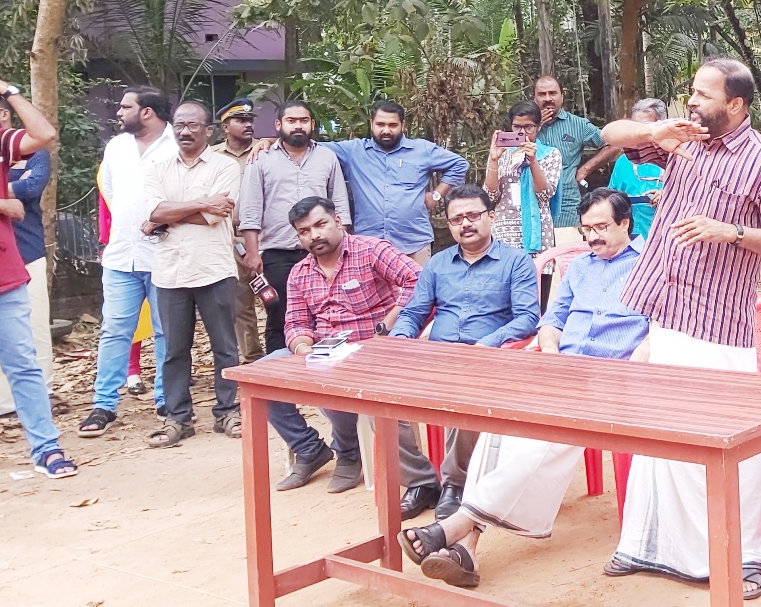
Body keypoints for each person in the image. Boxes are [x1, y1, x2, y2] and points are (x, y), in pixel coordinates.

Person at [602, 57, 761, 601]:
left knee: (732, 439)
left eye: (702, 93)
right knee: (661, 431)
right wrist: (652, 130)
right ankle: (649, 545)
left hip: (719, 322)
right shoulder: (682, 141)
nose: (691, 101)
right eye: (691, 91)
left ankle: (745, 557)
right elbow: (608, 134)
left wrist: (728, 231)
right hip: (665, 308)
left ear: (735, 104)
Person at [397, 188, 649, 589]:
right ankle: (466, 552)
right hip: (561, 372)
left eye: (602, 227)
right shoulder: (580, 267)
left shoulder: (651, 267)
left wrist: (631, 371)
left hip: (612, 378)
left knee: (544, 437)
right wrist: (550, 351)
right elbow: (551, 320)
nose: (593, 237)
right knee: (499, 424)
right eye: (586, 230)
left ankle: (455, 527)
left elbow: (658, 331)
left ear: (625, 223)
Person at [390, 184, 542, 521]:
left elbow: (529, 318)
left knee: (464, 399)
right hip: (436, 358)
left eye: (473, 215)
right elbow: (414, 312)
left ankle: (455, 484)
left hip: (486, 360)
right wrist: (400, 339)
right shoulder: (438, 264)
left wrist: (487, 343)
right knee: (378, 402)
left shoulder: (515, 261)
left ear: (490, 217)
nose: (465, 223)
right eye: (456, 218)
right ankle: (420, 481)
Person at [266, 196, 422, 493]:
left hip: (373, 346)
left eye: (320, 224)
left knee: (332, 377)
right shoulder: (300, 272)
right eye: (304, 231)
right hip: (324, 349)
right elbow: (296, 323)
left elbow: (418, 280)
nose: (314, 235)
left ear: (338, 221)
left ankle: (349, 453)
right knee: (263, 374)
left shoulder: (371, 250)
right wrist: (303, 348)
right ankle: (309, 447)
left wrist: (389, 324)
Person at [0, 73, 75, 477]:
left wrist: (9, 89)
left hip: (2, 277)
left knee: (23, 365)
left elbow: (44, 133)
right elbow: (6, 202)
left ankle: (46, 449)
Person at [142, 100, 244, 448]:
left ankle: (228, 411)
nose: (185, 131)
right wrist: (203, 202)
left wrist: (165, 218)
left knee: (225, 347)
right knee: (174, 350)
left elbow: (217, 216)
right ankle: (177, 418)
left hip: (213, 268)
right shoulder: (157, 167)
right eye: (179, 125)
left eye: (193, 125)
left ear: (208, 130)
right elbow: (155, 210)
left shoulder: (226, 166)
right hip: (170, 272)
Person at [79, 86, 176, 438]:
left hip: (164, 255)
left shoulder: (176, 144)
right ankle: (104, 404)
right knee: (114, 331)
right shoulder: (116, 147)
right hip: (121, 255)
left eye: (125, 107)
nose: (119, 112)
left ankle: (167, 400)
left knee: (167, 331)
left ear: (147, 112)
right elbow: (111, 192)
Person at [239, 101, 352, 353]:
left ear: (312, 124)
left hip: (322, 252)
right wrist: (253, 253)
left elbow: (340, 204)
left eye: (303, 120)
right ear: (279, 125)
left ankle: (319, 372)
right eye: (291, 121)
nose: (298, 126)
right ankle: (279, 380)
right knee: (280, 316)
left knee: (327, 313)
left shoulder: (327, 157)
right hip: (279, 253)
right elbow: (251, 209)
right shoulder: (261, 158)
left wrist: (346, 243)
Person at [318, 100, 468, 264]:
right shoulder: (354, 151)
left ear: (402, 125)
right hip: (369, 244)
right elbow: (313, 148)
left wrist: (437, 195)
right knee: (374, 291)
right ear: (372, 124)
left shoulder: (421, 150)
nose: (386, 130)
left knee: (417, 289)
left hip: (413, 242)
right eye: (380, 124)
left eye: (392, 125)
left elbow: (459, 164)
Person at [0, 99, 52, 418]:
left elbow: (32, 185)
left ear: (4, 114)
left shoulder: (29, 150)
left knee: (34, 327)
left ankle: (40, 396)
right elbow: (18, 190)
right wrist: (0, 200)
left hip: (26, 248)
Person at [533, 75, 619, 240]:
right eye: (542, 94)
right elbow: (511, 155)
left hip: (566, 210)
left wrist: (585, 169)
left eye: (553, 93)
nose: (548, 98)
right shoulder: (525, 125)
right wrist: (535, 127)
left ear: (562, 96)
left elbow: (614, 143)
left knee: (566, 262)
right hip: (531, 212)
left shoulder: (578, 125)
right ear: (534, 97)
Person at [212, 98, 264, 362]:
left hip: (266, 235)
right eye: (240, 120)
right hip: (228, 237)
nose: (248, 124)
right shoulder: (211, 157)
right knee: (239, 304)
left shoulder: (267, 150)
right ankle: (252, 358)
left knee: (276, 299)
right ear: (225, 127)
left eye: (250, 120)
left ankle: (285, 354)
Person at [484, 101, 561, 254]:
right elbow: (490, 195)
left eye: (528, 127)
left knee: (539, 274)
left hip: (538, 230)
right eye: (517, 127)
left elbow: (545, 194)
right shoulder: (502, 153)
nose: (523, 132)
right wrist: (493, 159)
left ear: (538, 126)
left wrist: (533, 161)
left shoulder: (550, 154)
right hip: (505, 231)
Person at [607, 98, 666, 238]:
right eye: (635, 127)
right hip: (628, 240)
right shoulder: (623, 162)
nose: (639, 132)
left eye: (645, 127)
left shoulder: (673, 158)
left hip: (662, 238)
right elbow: (610, 198)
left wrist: (667, 195)